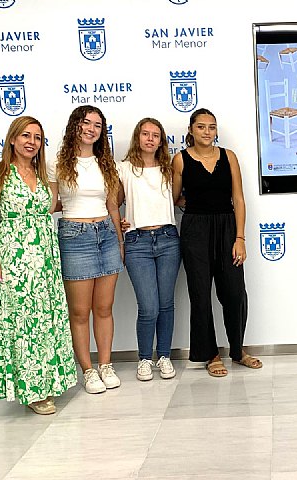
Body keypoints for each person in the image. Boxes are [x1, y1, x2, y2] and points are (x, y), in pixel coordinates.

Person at [0, 116, 77, 414]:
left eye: (37, 137)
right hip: (14, 260)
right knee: (23, 324)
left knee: (46, 320)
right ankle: (31, 391)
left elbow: (58, 206)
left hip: (46, 258)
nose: (31, 142)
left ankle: (50, 383)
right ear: (12, 139)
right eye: (25, 135)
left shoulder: (43, 174)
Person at [172, 108, 261, 377]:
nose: (207, 132)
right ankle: (210, 354)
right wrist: (196, 208)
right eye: (201, 127)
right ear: (191, 130)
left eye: (211, 127)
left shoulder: (228, 156)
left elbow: (239, 199)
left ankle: (237, 349)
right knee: (200, 295)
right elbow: (175, 197)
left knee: (234, 293)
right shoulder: (180, 160)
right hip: (195, 230)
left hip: (227, 228)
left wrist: (240, 238)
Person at [48, 105, 124, 393]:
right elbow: (52, 203)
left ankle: (105, 365)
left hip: (105, 233)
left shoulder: (106, 163)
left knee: (104, 308)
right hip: (74, 235)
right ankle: (88, 370)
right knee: (79, 312)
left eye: (97, 125)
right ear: (75, 126)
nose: (92, 129)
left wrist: (119, 239)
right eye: (86, 123)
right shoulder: (57, 163)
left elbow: (112, 204)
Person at [117, 118, 181, 381]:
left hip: (167, 238)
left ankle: (164, 356)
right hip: (137, 242)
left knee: (166, 304)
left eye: (156, 135)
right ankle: (144, 358)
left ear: (161, 141)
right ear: (137, 137)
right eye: (145, 134)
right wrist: (116, 222)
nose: (150, 139)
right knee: (148, 306)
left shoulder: (169, 169)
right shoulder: (123, 169)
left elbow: (178, 199)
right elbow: (114, 201)